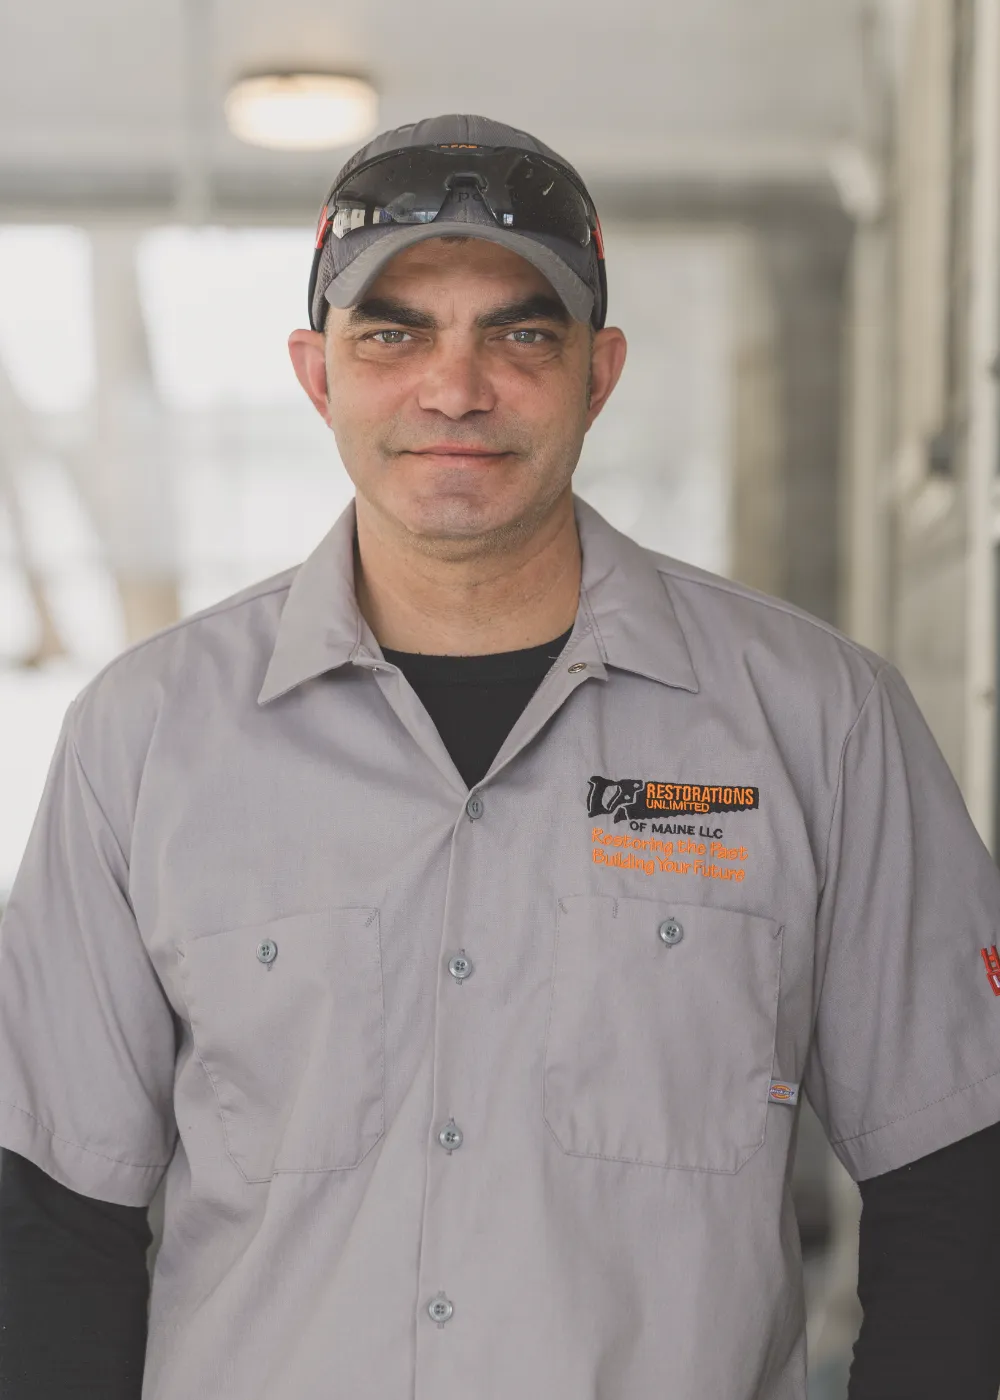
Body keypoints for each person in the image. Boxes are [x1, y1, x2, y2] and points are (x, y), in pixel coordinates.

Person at [0, 112, 998, 1400]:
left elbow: (959, 1193)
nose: (454, 388)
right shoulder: (145, 739)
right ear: (317, 374)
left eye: (522, 335)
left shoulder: (822, 723)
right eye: (393, 334)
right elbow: (51, 1225)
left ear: (600, 373)